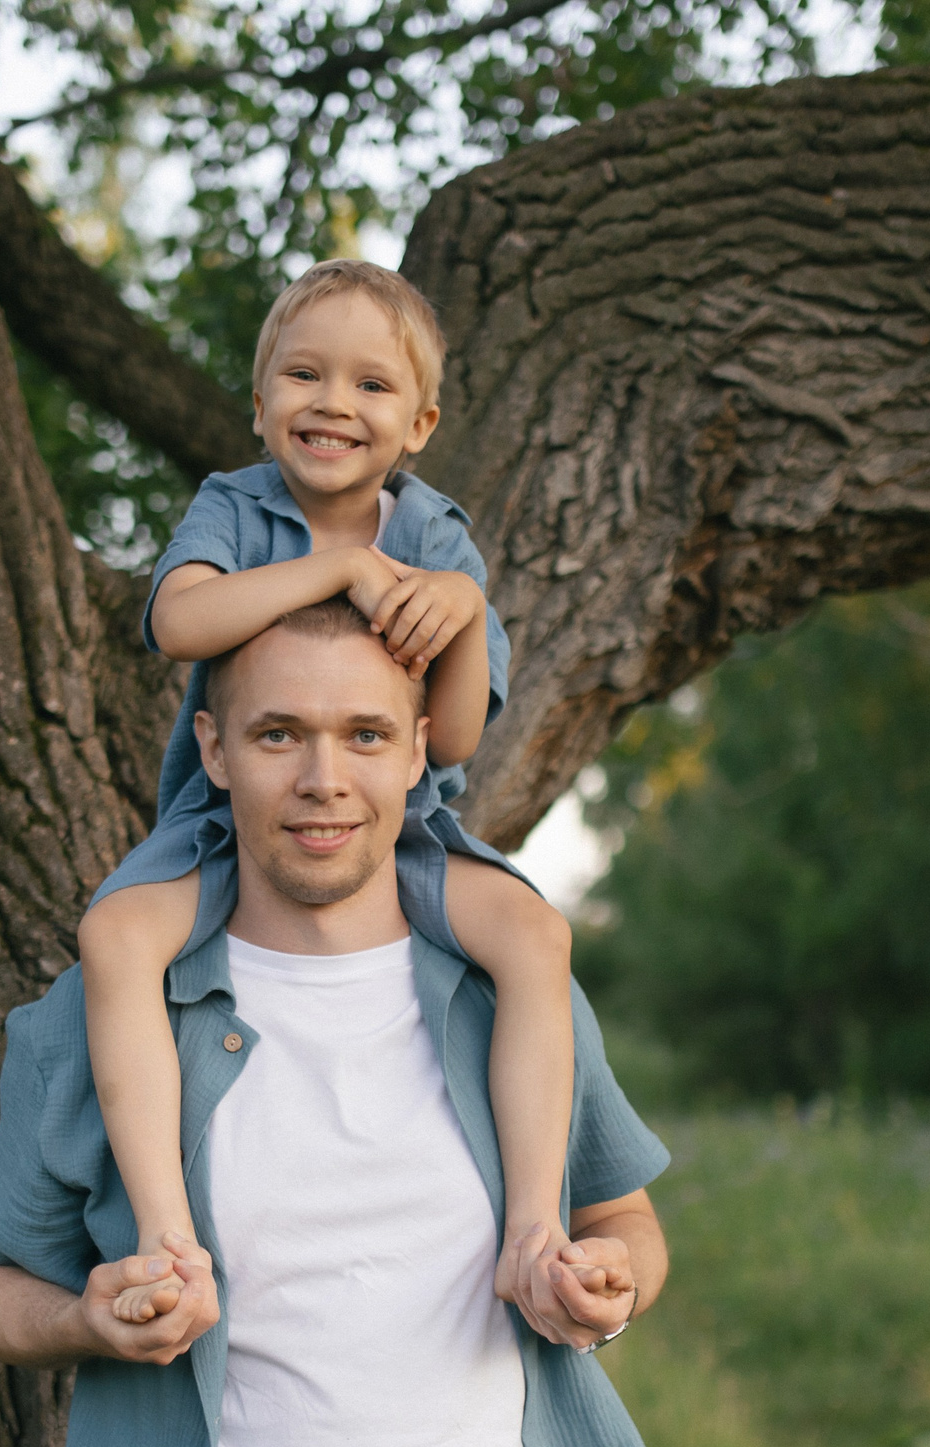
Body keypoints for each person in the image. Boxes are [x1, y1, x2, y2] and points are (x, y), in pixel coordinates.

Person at [0, 603, 708, 1447]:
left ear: (414, 750)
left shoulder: (510, 997)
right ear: (212, 751)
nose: (322, 779)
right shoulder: (99, 1021)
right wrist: (84, 1320)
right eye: (276, 735)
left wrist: (610, 1287)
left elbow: (622, 1223)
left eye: (363, 734)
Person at [74, 259, 581, 1326]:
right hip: (228, 832)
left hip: (400, 833)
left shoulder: (436, 539)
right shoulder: (235, 505)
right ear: (260, 409)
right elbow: (179, 622)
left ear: (420, 422)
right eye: (303, 376)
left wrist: (454, 607)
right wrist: (336, 573)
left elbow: (450, 735)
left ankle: (535, 1223)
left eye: (370, 385)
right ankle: (169, 1238)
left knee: (532, 939)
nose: (333, 404)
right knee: (118, 937)